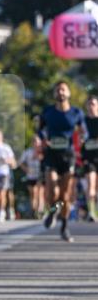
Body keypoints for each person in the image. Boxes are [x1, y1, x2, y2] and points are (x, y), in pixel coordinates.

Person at [37, 80, 87, 243]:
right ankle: (52, 211)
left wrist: (81, 137)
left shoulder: (76, 113)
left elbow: (83, 130)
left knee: (65, 196)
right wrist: (42, 140)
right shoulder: (48, 112)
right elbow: (40, 131)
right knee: (52, 192)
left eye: (63, 90)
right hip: (51, 154)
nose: (61, 93)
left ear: (69, 93)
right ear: (54, 94)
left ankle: (64, 226)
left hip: (68, 155)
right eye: (58, 90)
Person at [81, 95, 98, 222]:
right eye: (89, 104)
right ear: (86, 106)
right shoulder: (83, 122)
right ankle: (91, 212)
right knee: (90, 185)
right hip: (89, 158)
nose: (91, 106)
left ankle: (95, 209)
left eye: (94, 103)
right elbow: (78, 139)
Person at [19, 140, 44, 218]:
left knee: (39, 193)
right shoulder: (28, 152)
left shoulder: (42, 151)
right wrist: (26, 169)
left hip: (40, 175)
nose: (36, 144)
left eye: (37, 142)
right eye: (35, 142)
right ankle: (34, 210)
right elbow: (20, 162)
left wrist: (40, 157)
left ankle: (40, 211)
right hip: (30, 175)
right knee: (33, 193)